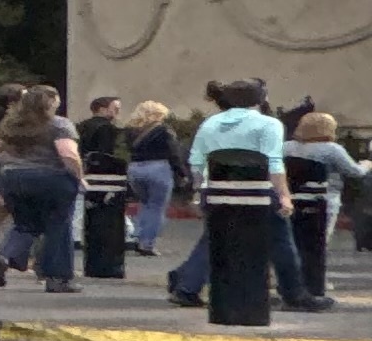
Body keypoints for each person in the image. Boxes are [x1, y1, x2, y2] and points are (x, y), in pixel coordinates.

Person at [167, 78, 333, 311]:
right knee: (281, 242)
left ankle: (187, 287)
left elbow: (196, 161)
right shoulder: (269, 124)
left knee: (214, 239)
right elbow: (274, 163)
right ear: (260, 99)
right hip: (258, 189)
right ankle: (294, 293)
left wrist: (198, 191)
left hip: (216, 188)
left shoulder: (210, 123)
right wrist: (284, 195)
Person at [0, 82, 82, 293]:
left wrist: (10, 162)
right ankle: (58, 277)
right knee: (59, 225)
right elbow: (69, 154)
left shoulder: (10, 124)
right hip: (51, 178)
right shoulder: (59, 124)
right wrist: (79, 177)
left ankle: (4, 257)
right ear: (50, 103)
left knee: (25, 224)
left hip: (12, 177)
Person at [282, 110, 362, 301]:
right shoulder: (331, 149)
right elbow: (354, 172)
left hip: (293, 197)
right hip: (324, 199)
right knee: (319, 242)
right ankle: (314, 282)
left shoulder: (286, 147)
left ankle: (292, 279)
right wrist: (367, 164)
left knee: (293, 241)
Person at [123, 100, 179, 257]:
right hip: (158, 168)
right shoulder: (164, 130)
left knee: (144, 203)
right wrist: (181, 172)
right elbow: (173, 152)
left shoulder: (131, 131)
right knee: (156, 207)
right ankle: (147, 244)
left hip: (135, 169)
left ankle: (139, 236)